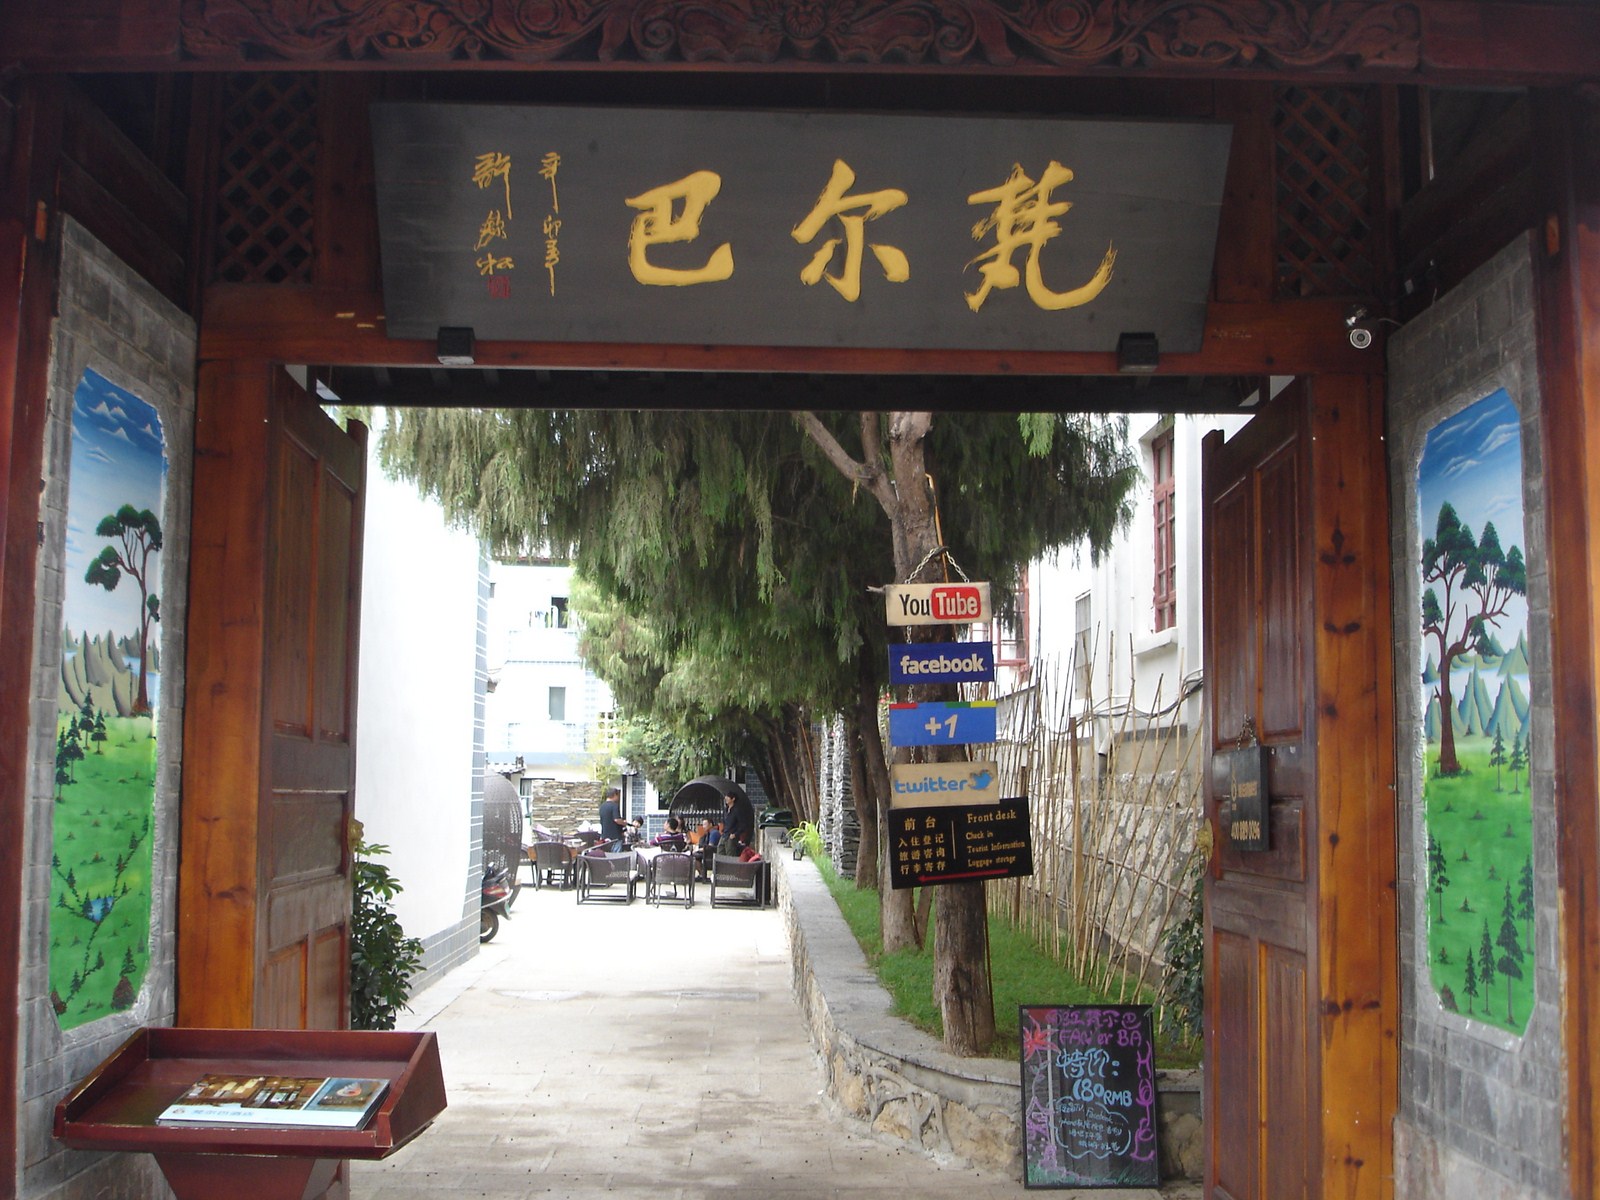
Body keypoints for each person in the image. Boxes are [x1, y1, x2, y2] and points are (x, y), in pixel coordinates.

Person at [720, 788, 754, 853]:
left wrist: (735, 834)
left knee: (730, 852)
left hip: (731, 836)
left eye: (728, 797)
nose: (726, 798)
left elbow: (743, 825)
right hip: (725, 834)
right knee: (720, 850)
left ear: (733, 799)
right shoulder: (726, 810)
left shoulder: (737, 810)